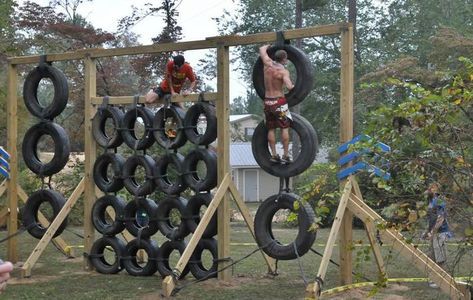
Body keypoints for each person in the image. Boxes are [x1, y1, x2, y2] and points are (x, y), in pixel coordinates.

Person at [259, 45, 295, 164]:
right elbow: (289, 87)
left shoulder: (267, 65)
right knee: (284, 127)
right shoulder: (283, 72)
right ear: (284, 59)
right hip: (279, 102)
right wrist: (294, 86)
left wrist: (269, 45)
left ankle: (274, 155)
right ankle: (285, 155)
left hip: (268, 102)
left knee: (271, 129)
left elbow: (262, 49)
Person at [422, 182, 451, 288]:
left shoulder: (439, 201)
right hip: (433, 232)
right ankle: (434, 279)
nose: (429, 189)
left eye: (432, 188)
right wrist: (427, 231)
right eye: (429, 187)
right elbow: (431, 219)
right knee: (432, 257)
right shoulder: (430, 201)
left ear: (437, 190)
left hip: (440, 233)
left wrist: (432, 232)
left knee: (440, 258)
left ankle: (441, 281)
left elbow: (440, 219)